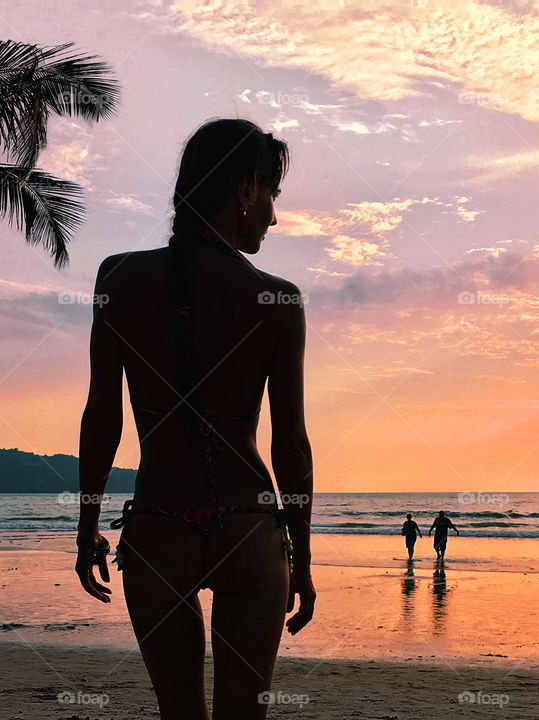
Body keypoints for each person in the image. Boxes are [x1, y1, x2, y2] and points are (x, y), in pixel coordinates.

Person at [75, 118, 315, 720]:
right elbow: (292, 448)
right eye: (271, 195)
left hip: (157, 529)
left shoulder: (118, 278)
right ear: (243, 190)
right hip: (249, 531)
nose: (273, 216)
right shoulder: (279, 301)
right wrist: (303, 560)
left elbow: (102, 418)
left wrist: (87, 527)